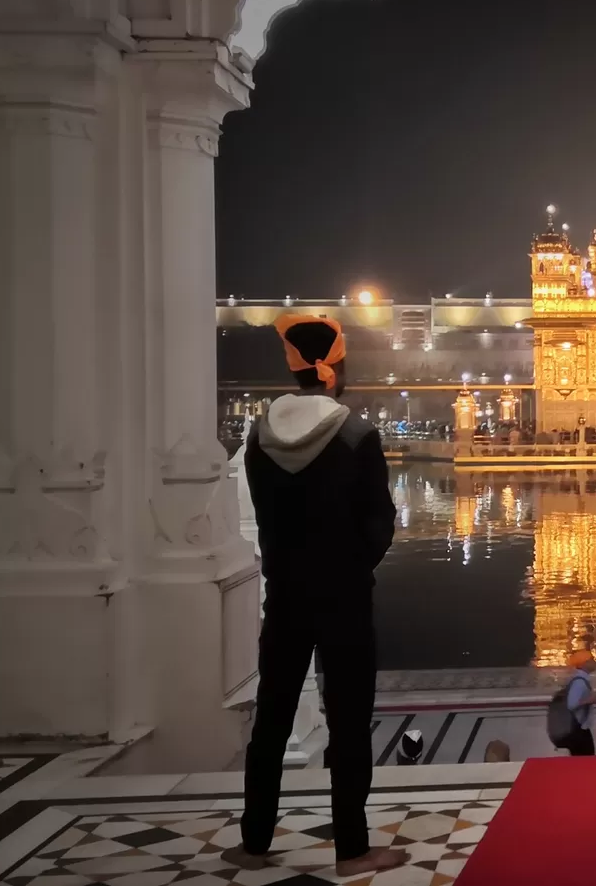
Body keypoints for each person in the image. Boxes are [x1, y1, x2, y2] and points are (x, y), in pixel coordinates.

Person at [223, 315, 404, 878]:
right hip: (344, 596)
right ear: (337, 368)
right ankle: (351, 849)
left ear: (293, 367)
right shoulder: (356, 434)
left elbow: (264, 510)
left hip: (286, 594)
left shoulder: (258, 434)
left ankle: (254, 842)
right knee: (350, 720)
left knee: (272, 715)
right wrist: (351, 566)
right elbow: (380, 523)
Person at [565, 650, 596, 756]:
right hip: (578, 730)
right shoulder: (579, 682)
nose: (594, 662)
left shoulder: (580, 679)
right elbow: (571, 704)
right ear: (584, 664)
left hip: (578, 728)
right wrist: (590, 699)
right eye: (591, 659)